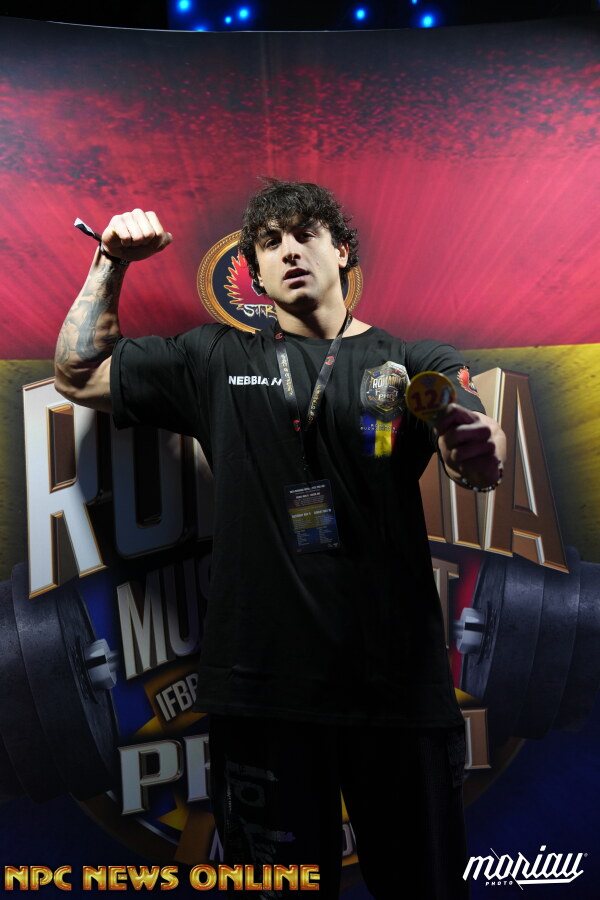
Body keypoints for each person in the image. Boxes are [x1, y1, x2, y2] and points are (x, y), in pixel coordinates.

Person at [55, 180, 506, 899]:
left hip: (397, 691)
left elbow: (469, 433)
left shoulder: (413, 358)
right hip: (264, 693)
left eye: (305, 234)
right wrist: (110, 262)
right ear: (256, 275)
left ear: (342, 251)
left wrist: (473, 446)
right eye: (269, 243)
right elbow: (79, 374)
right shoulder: (213, 356)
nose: (289, 250)